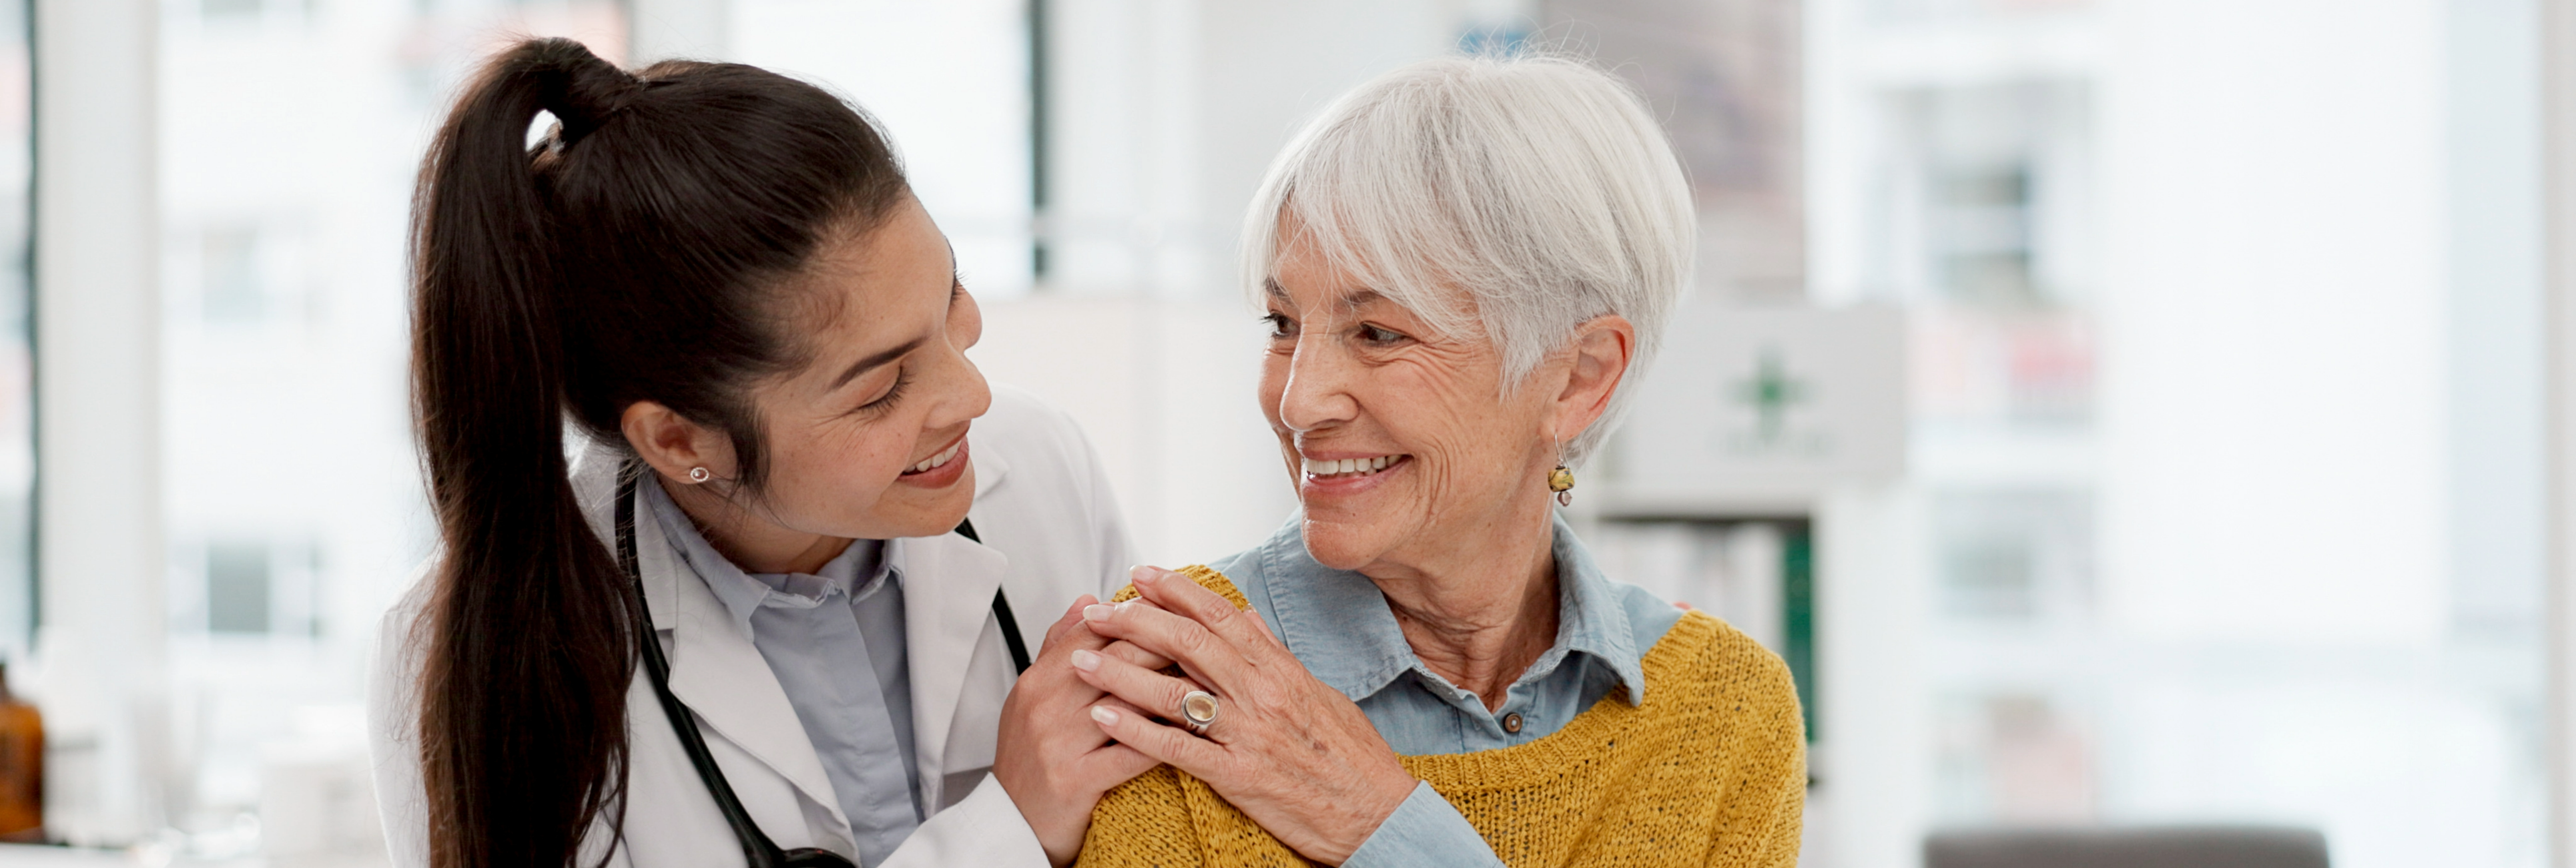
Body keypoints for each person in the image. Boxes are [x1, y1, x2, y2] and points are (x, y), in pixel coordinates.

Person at [367, 38, 1163, 868]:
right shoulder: (475, 658)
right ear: (681, 441)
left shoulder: (1037, 468)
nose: (972, 397)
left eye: (951, 298)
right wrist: (1008, 833)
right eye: (882, 386)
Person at [1052, 54, 1808, 866]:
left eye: (1378, 333)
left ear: (1581, 378)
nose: (1300, 403)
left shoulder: (1724, 711)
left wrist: (1384, 826)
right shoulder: (1170, 679)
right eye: (1281, 325)